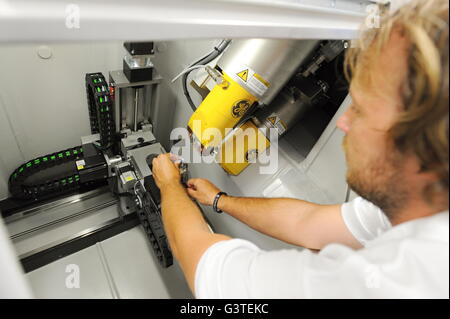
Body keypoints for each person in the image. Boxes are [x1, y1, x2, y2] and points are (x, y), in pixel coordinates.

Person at [151, 0, 449, 298]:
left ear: (426, 148)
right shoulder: (404, 207)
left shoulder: (389, 283)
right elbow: (308, 222)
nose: (343, 122)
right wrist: (219, 200)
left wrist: (167, 184)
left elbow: (208, 269)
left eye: (361, 110)